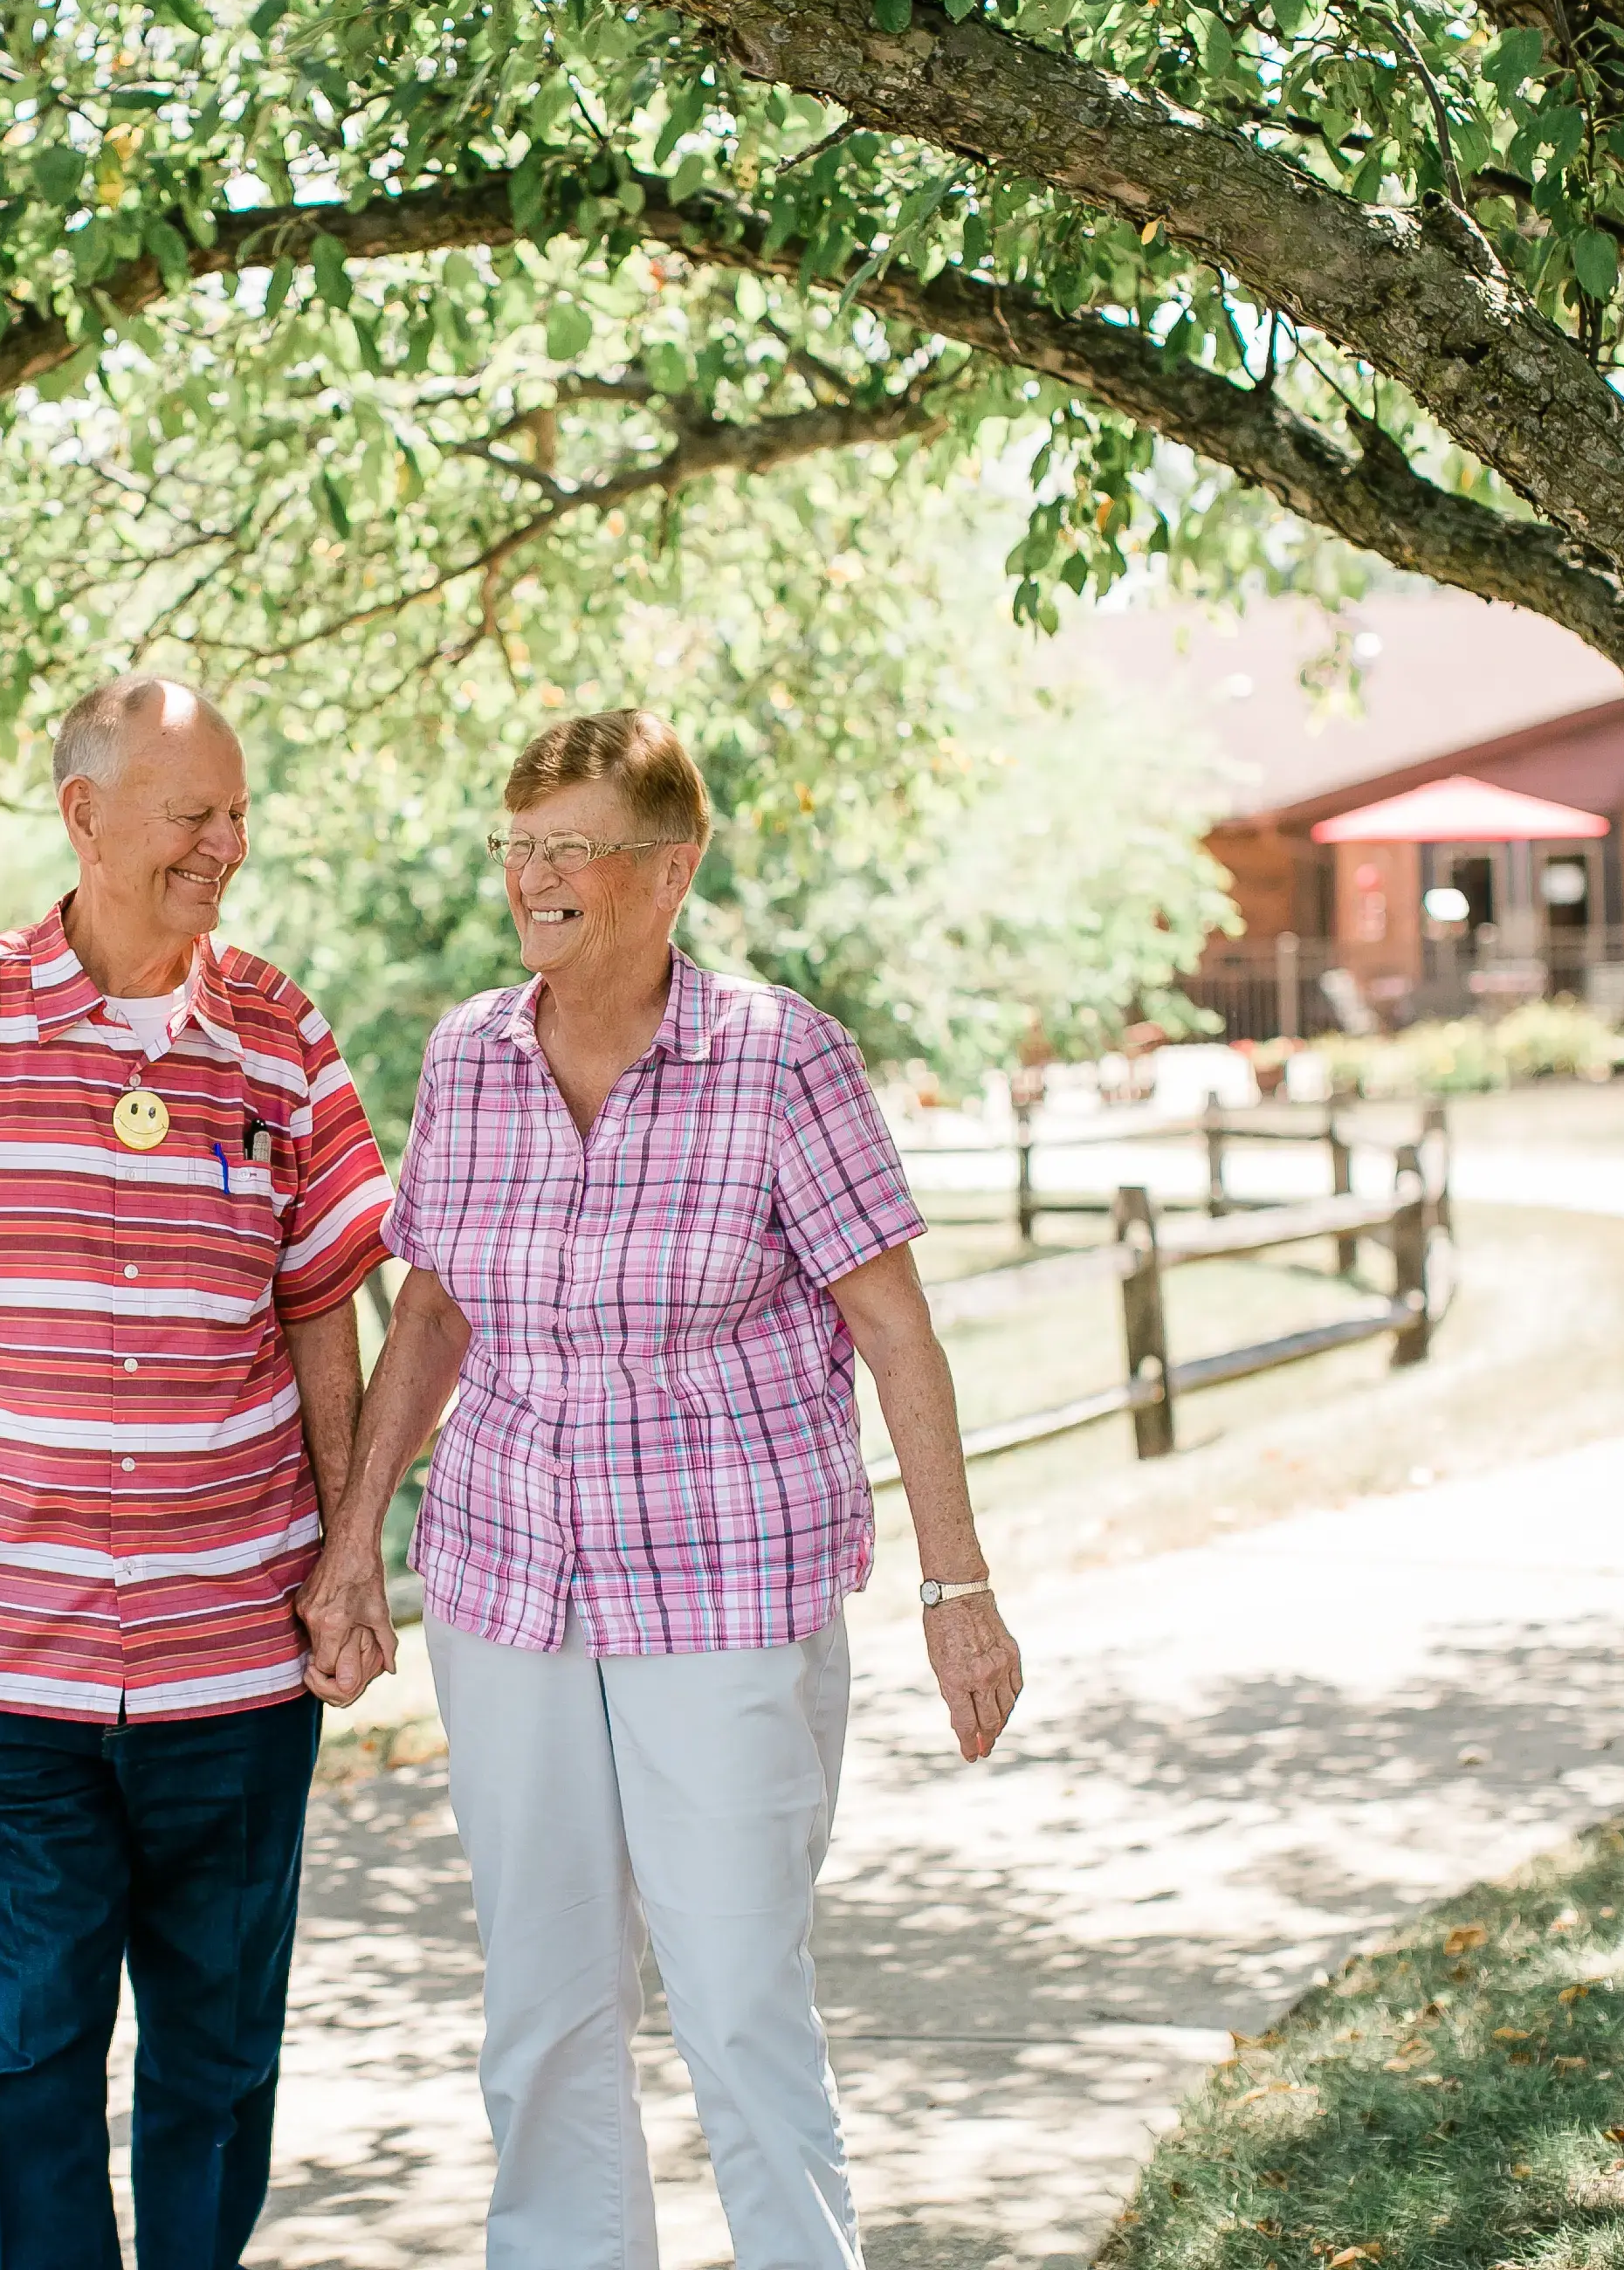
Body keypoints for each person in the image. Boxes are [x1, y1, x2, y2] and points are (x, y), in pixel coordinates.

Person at [298, 708, 1026, 2270]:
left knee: (739, 1996)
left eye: (576, 847)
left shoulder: (779, 1058)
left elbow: (895, 1331)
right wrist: (356, 1542)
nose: (538, 878)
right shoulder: (468, 1056)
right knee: (543, 2003)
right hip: (506, 1588)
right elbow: (431, 1314)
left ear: (672, 869)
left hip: (724, 1589)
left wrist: (957, 1590)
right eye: (521, 846)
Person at [0, 672, 394, 2270]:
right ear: (84, 814)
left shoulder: (281, 1032)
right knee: (30, 2066)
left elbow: (327, 1307)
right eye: (195, 814)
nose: (226, 844)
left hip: (233, 1665)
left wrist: (348, 1563)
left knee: (217, 2070)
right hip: (1, 1667)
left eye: (238, 812)